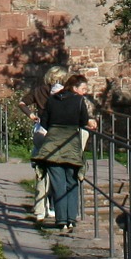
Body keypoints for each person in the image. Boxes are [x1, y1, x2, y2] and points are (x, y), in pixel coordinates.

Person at [32, 72, 96, 231]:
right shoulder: (79, 101)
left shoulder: (52, 100)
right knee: (72, 182)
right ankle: (71, 218)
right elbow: (82, 122)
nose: (85, 91)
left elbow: (44, 123)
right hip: (71, 145)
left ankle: (60, 220)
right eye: (83, 88)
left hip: (53, 145)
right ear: (75, 87)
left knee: (58, 182)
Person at [24, 66, 67, 225]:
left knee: (42, 171)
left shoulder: (38, 91)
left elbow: (22, 102)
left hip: (41, 131)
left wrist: (31, 115)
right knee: (56, 171)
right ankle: (53, 207)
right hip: (55, 134)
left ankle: (40, 209)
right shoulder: (61, 93)